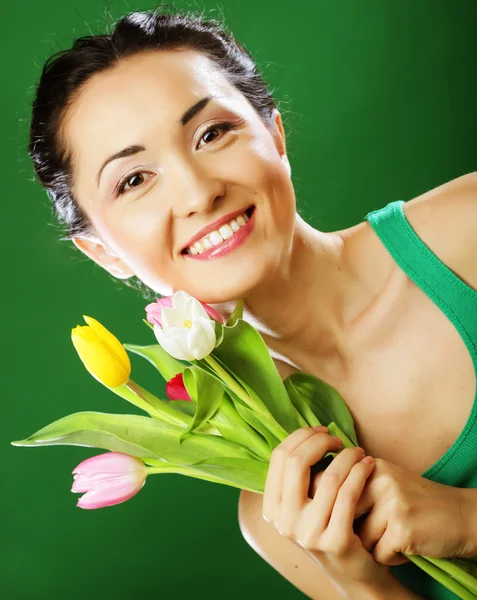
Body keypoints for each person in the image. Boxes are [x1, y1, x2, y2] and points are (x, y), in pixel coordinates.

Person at [28, 7, 477, 600]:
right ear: (104, 254)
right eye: (134, 180)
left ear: (276, 134)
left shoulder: (467, 235)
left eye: (212, 134)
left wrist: (466, 521)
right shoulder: (277, 510)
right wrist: (361, 584)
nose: (198, 191)